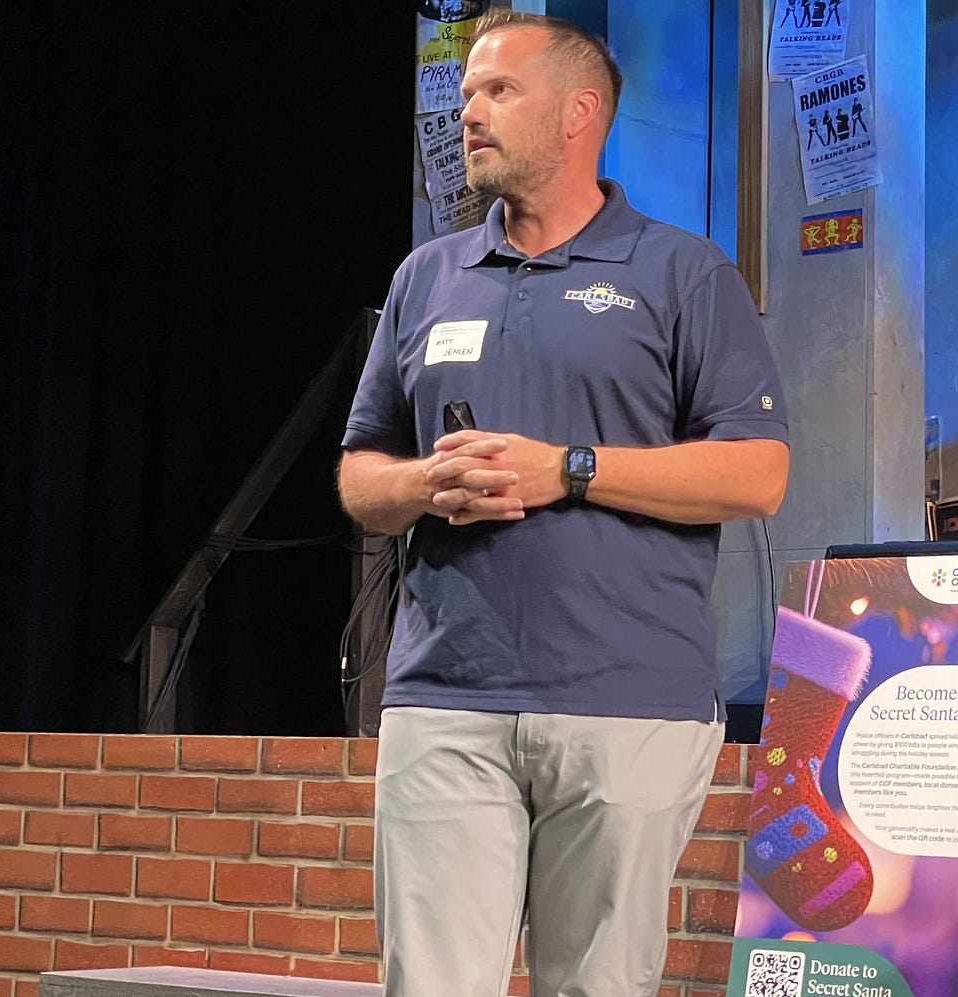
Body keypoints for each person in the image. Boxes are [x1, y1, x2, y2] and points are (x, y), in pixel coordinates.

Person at [337, 11, 789, 996]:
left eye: (499, 92)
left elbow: (756, 474)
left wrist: (569, 469)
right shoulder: (428, 277)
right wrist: (422, 484)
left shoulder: (682, 273)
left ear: (579, 113)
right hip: (446, 698)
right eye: (465, 97)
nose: (470, 115)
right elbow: (358, 475)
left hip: (627, 703)